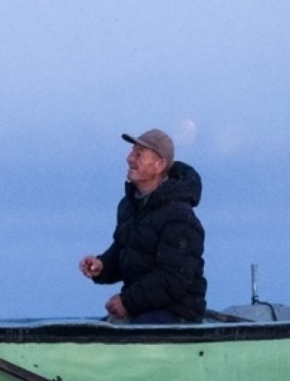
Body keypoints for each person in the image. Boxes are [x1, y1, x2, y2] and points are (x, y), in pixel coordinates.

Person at [79, 128, 207, 324]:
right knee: (97, 333)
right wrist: (102, 265)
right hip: (141, 308)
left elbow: (173, 279)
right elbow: (126, 250)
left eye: (138, 154)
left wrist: (127, 302)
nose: (129, 158)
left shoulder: (180, 217)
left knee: (132, 335)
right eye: (132, 152)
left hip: (177, 312)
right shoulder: (129, 206)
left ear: (159, 164)